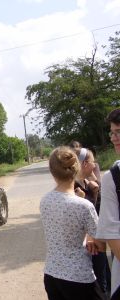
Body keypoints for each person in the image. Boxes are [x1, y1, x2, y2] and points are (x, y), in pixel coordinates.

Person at [41, 146, 105, 300]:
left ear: (52, 171)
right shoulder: (84, 205)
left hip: (51, 274)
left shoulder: (45, 201)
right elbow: (101, 245)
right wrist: (90, 240)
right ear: (76, 169)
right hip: (79, 276)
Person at [75, 147, 110, 296]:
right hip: (89, 245)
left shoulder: (87, 183)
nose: (95, 165)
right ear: (84, 164)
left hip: (96, 239)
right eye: (92, 162)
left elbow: (99, 209)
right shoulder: (75, 188)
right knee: (98, 283)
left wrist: (95, 191)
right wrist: (86, 198)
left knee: (104, 277)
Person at [96, 107, 120, 299]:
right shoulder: (113, 177)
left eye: (118, 132)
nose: (113, 138)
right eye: (112, 133)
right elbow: (112, 235)